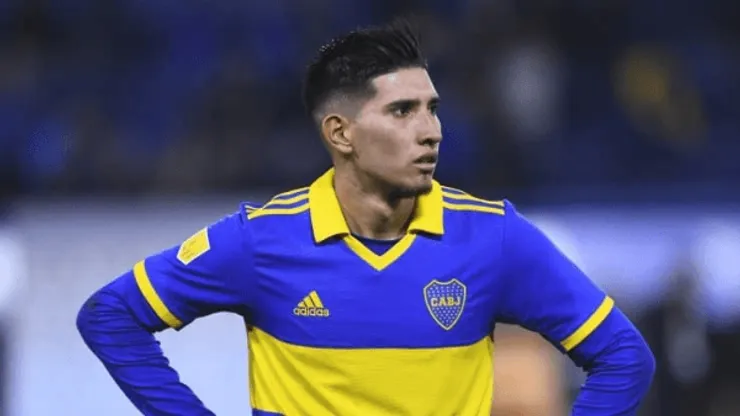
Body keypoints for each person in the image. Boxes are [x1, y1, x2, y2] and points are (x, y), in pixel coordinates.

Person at [76, 18, 655, 416]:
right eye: (402, 111)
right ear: (340, 133)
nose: (431, 131)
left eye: (432, 109)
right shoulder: (262, 240)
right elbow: (111, 315)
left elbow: (624, 356)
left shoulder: (493, 237)